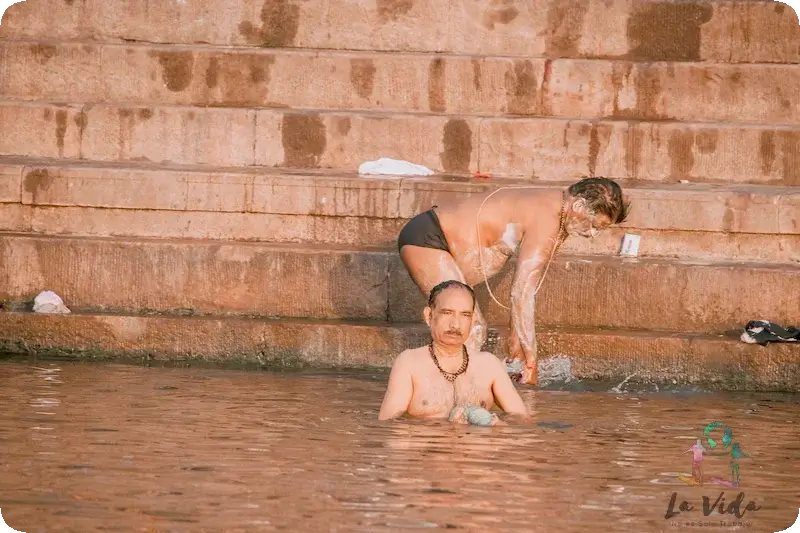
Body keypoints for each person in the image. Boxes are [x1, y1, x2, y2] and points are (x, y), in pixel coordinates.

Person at [396, 177, 630, 386]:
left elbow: (526, 287)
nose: (592, 235)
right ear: (578, 206)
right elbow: (521, 294)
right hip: (429, 238)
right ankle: (440, 396)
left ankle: (453, 389)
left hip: (438, 240)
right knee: (472, 328)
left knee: (472, 328)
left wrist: (515, 345)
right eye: (595, 226)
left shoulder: (559, 212)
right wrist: (531, 364)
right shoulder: (548, 218)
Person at [378, 280, 530, 422]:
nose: (455, 325)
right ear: (429, 315)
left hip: (475, 447)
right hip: (427, 447)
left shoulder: (489, 365)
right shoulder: (409, 363)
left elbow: (521, 421)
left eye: (465, 315)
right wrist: (445, 427)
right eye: (447, 313)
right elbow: (389, 424)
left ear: (473, 320)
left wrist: (492, 425)